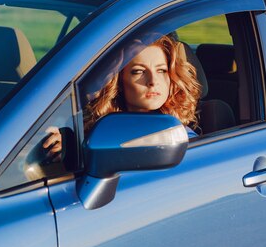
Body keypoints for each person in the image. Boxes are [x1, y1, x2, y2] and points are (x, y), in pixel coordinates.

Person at [43, 34, 202, 156]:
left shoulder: (181, 137)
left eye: (161, 71)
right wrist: (69, 147)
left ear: (171, 77)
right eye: (138, 72)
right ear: (118, 81)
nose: (153, 81)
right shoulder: (97, 128)